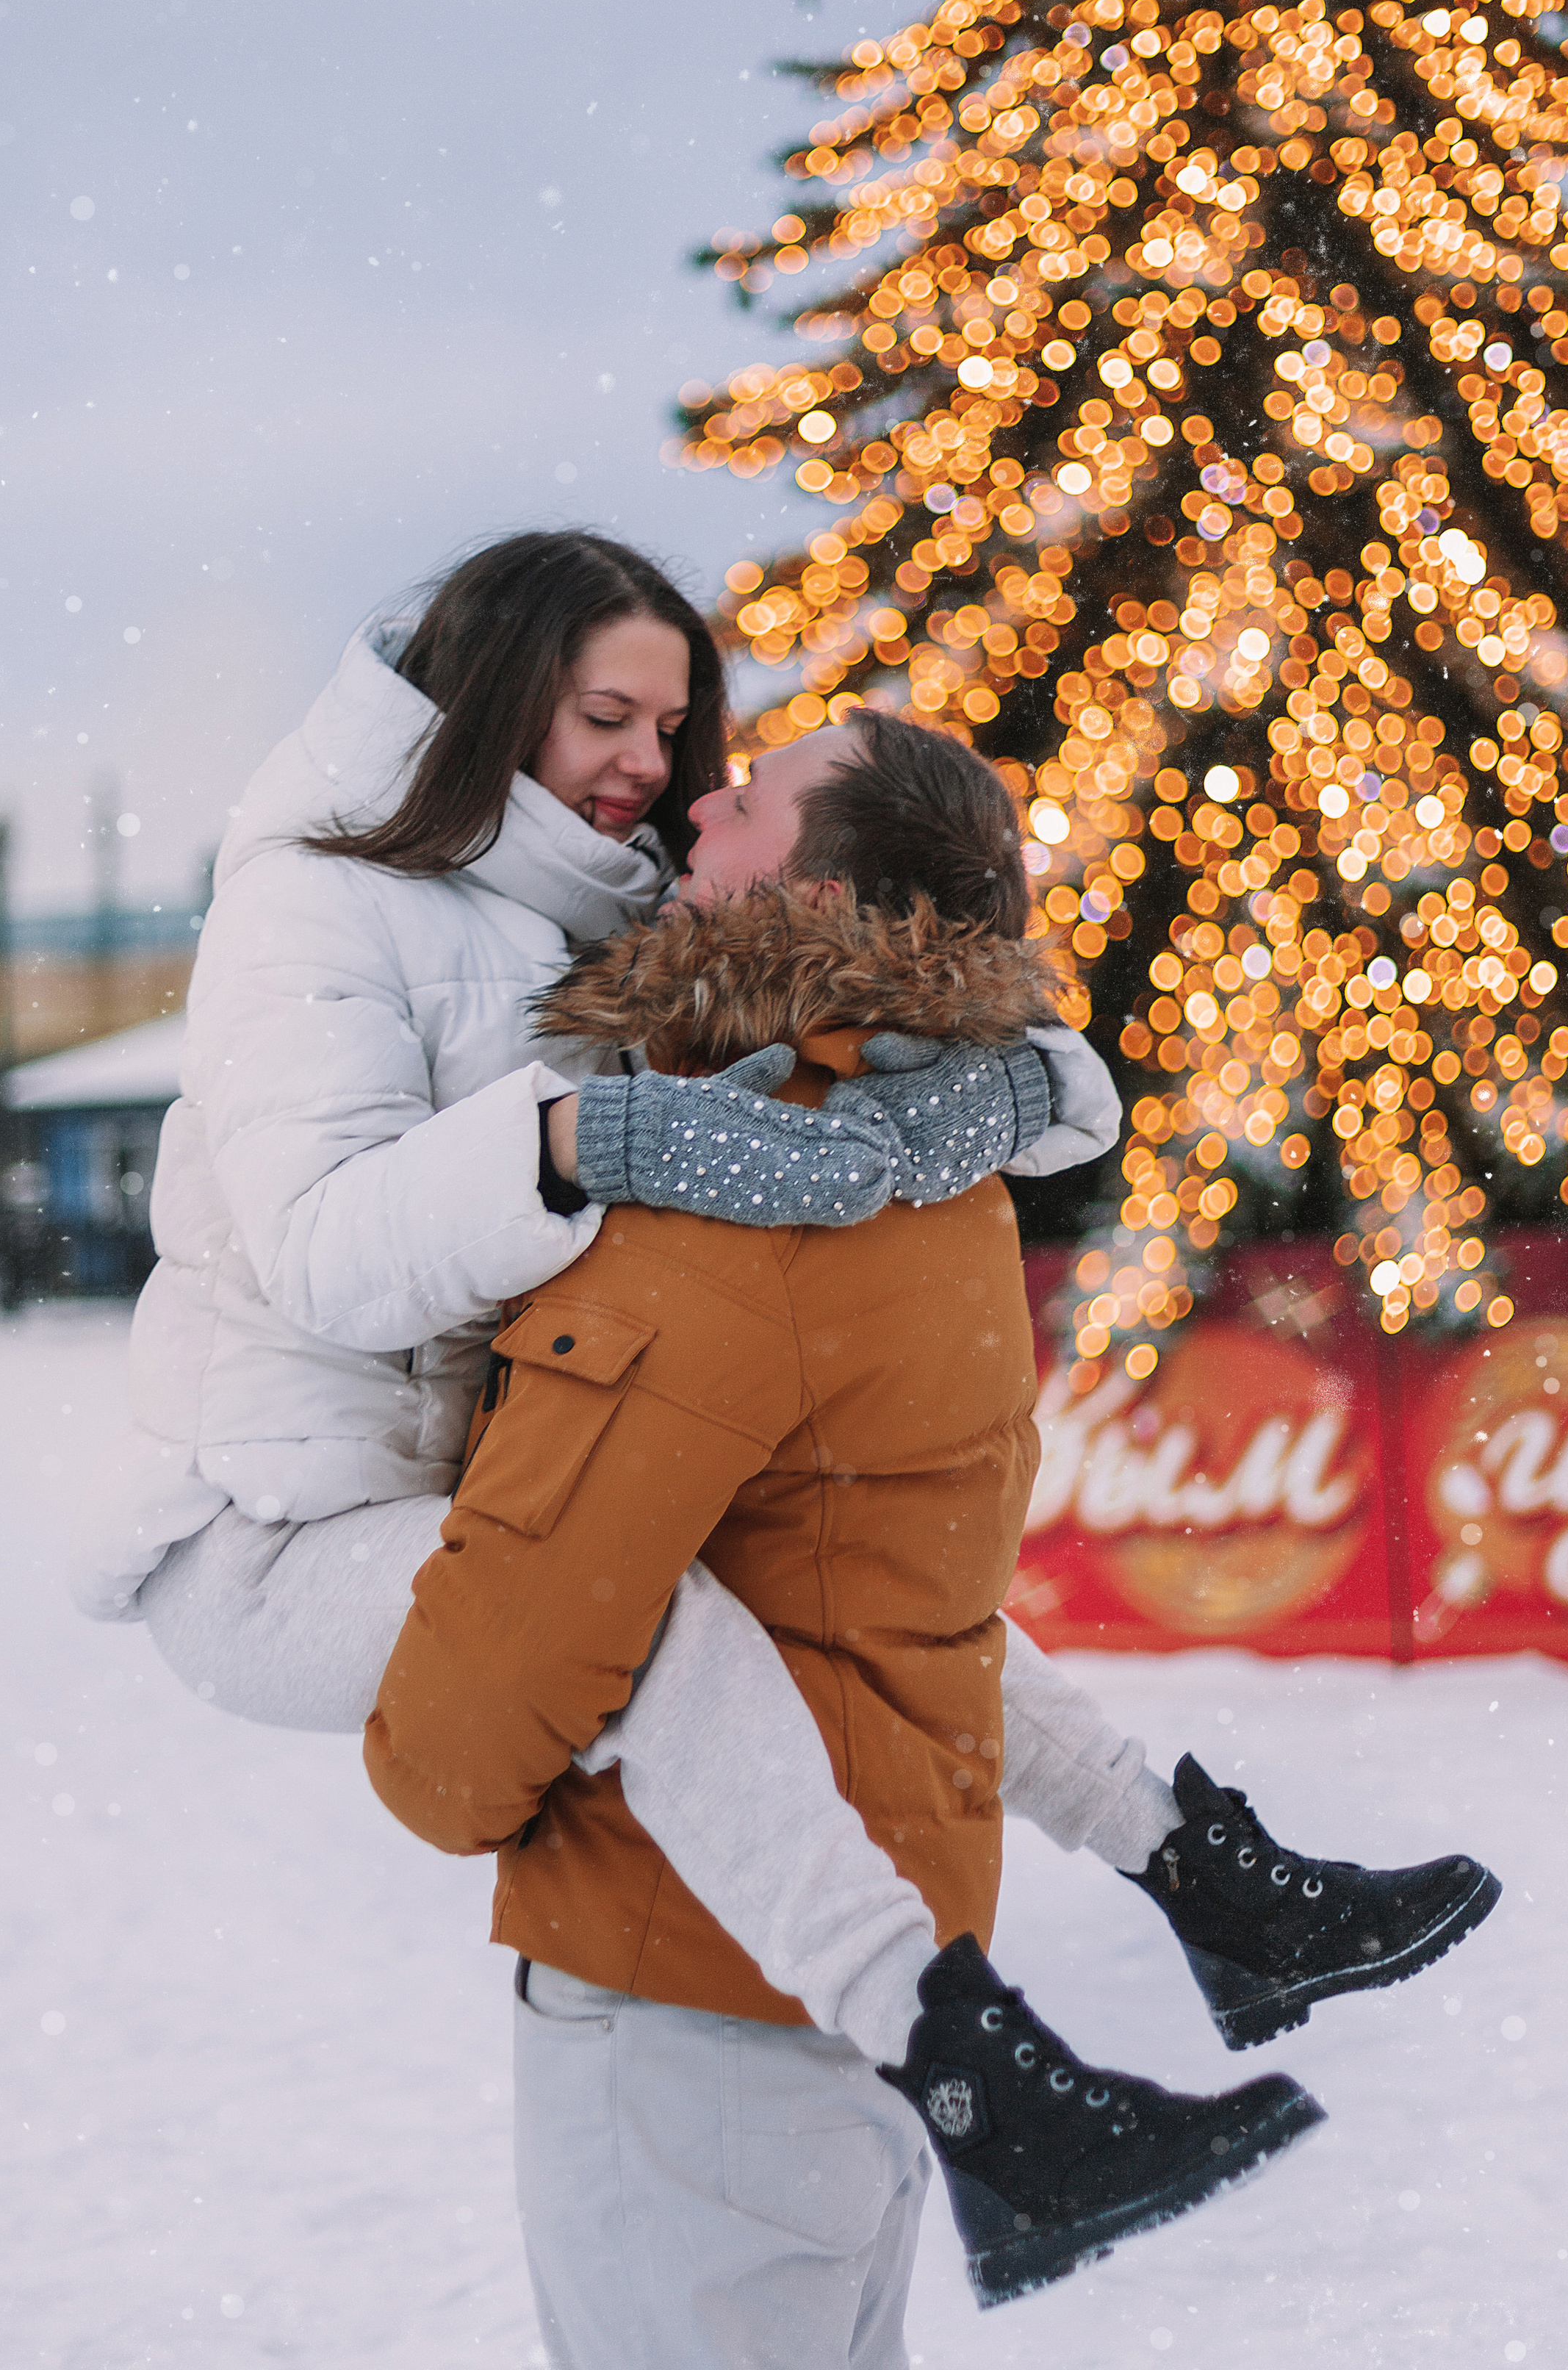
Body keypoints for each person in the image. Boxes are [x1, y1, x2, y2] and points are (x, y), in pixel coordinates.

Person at [69, 529, 1495, 2185]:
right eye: (606, 718)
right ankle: (961, 2062)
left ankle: (1205, 1877)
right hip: (277, 1526)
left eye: (674, 729)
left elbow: (883, 969)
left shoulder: (602, 895)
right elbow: (326, 1256)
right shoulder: (316, 901)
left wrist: (1001, 1085)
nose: (650, 769)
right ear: (499, 697)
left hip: (500, 1479)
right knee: (653, 1619)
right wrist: (583, 1140)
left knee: (843, 1576)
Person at [365, 711, 1328, 2359]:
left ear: (814, 901)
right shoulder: (943, 1165)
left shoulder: (739, 1194)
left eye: (743, 803)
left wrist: (416, 1755)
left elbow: (482, 1713)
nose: (694, 811)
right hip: (875, 1996)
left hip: (692, 2019)